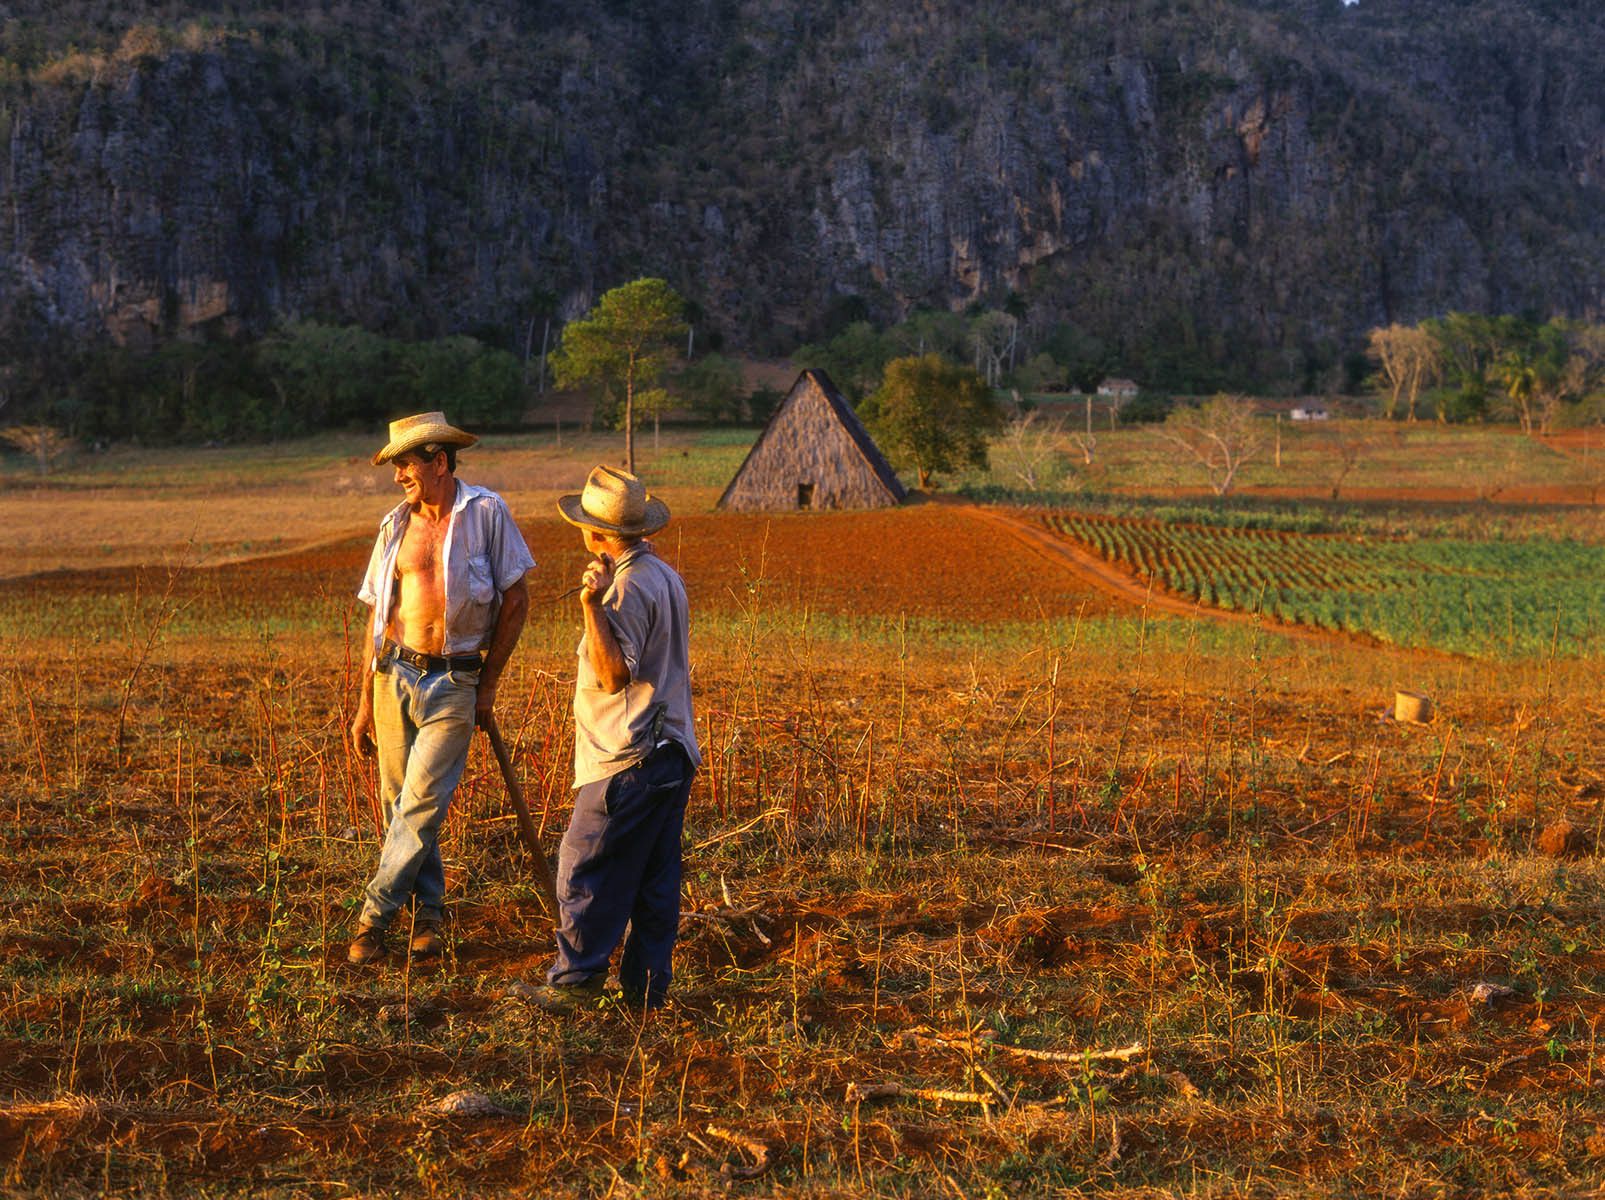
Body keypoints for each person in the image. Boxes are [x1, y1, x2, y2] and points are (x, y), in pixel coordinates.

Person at [347, 412, 535, 965]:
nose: (398, 475)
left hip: (456, 678)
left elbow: (517, 600)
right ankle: (429, 915)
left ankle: (373, 919)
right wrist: (362, 701)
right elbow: (377, 618)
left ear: (440, 461)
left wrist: (489, 685)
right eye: (396, 464)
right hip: (392, 675)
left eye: (406, 463)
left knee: (422, 803)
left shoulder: (487, 513)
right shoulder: (393, 526)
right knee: (398, 805)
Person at [522, 466, 700, 1012]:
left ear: (597, 534)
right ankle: (647, 992)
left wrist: (590, 606)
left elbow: (613, 675)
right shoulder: (664, 576)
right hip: (674, 750)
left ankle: (576, 983)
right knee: (653, 878)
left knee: (585, 865)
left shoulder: (621, 589)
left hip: (630, 754)